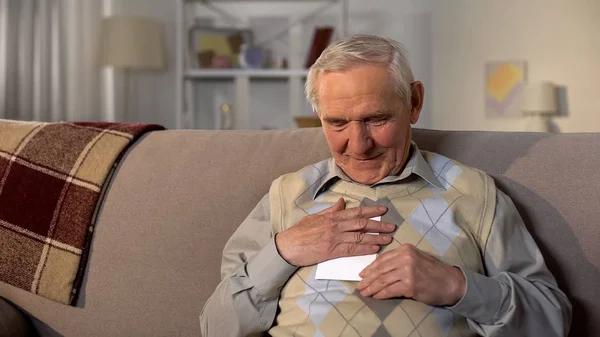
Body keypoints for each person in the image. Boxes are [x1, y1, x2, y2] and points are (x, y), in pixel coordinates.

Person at [200, 34, 571, 337]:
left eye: (376, 120)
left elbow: (552, 321)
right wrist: (282, 251)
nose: (359, 144)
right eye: (338, 123)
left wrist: (458, 287)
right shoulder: (286, 195)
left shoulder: (474, 194)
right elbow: (215, 327)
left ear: (414, 103)